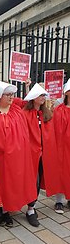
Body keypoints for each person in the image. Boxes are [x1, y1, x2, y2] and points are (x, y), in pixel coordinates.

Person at [0, 80, 37, 227]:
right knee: (1, 183)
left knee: (17, 182)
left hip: (18, 155)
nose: (11, 97)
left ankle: (15, 207)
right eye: (8, 95)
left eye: (12, 94)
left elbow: (23, 132)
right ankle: (2, 210)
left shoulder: (16, 111)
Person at [23, 83, 61, 225]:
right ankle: (30, 207)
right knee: (33, 180)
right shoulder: (25, 114)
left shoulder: (46, 113)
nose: (43, 98)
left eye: (44, 95)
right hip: (30, 153)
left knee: (38, 180)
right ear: (33, 97)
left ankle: (31, 208)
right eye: (40, 95)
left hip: (44, 154)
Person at [53, 78, 70, 212]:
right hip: (62, 146)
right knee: (60, 171)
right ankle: (59, 200)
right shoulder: (59, 109)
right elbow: (56, 129)